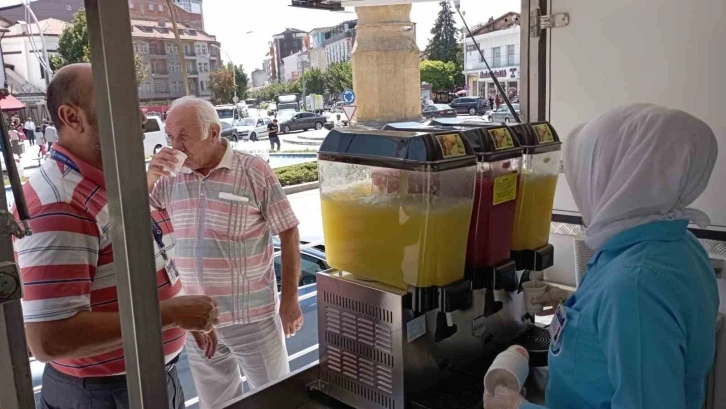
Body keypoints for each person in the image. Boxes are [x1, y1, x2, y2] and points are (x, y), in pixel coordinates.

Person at [484, 103, 719, 409]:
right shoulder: (677, 245)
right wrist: (570, 313)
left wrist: (517, 407)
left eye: (588, 172)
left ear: (620, 178)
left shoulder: (634, 284)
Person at [14, 64, 220, 409]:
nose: (140, 118)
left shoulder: (110, 179)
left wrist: (179, 315)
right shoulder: (60, 203)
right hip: (105, 394)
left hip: (144, 379)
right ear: (72, 117)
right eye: (119, 103)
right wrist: (170, 314)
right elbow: (49, 339)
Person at [147, 96, 304, 409]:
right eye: (170, 138)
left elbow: (288, 231)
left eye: (184, 137)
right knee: (217, 404)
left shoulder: (252, 171)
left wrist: (289, 300)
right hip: (198, 320)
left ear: (214, 132)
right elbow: (128, 215)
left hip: (254, 318)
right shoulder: (171, 178)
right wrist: (148, 178)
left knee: (276, 401)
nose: (175, 147)